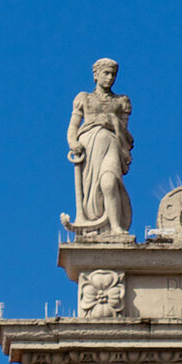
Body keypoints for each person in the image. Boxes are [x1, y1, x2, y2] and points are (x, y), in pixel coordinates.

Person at [64, 58, 133, 236]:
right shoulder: (84, 99)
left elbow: (125, 132)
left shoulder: (121, 101)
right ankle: (93, 226)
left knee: (109, 183)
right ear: (96, 75)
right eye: (106, 73)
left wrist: (111, 121)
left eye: (113, 75)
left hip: (112, 146)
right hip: (89, 148)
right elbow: (73, 126)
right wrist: (73, 143)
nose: (110, 78)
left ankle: (115, 225)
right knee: (92, 192)